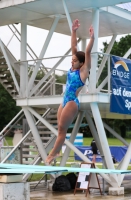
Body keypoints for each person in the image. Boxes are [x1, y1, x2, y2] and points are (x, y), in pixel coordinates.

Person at [45, 19, 95, 164]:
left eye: (74, 60)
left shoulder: (83, 71)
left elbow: (87, 51)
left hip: (72, 101)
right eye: (72, 59)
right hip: (64, 100)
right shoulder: (73, 67)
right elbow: (74, 45)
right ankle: (58, 149)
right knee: (59, 129)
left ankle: (53, 154)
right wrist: (73, 31)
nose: (71, 62)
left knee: (62, 129)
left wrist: (92, 38)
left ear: (81, 63)